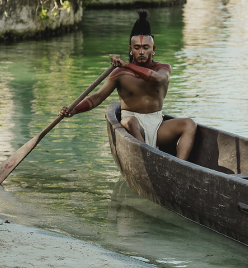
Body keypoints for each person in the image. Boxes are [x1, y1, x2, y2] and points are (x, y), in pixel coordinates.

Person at [62, 9, 197, 160]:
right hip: (133, 123)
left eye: (146, 47)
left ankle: (180, 165)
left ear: (153, 49)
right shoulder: (119, 73)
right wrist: (74, 110)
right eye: (137, 48)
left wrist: (127, 65)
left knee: (189, 124)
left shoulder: (163, 68)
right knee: (131, 121)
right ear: (131, 49)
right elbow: (97, 97)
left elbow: (158, 79)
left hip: (158, 125)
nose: (141, 52)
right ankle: (148, 160)